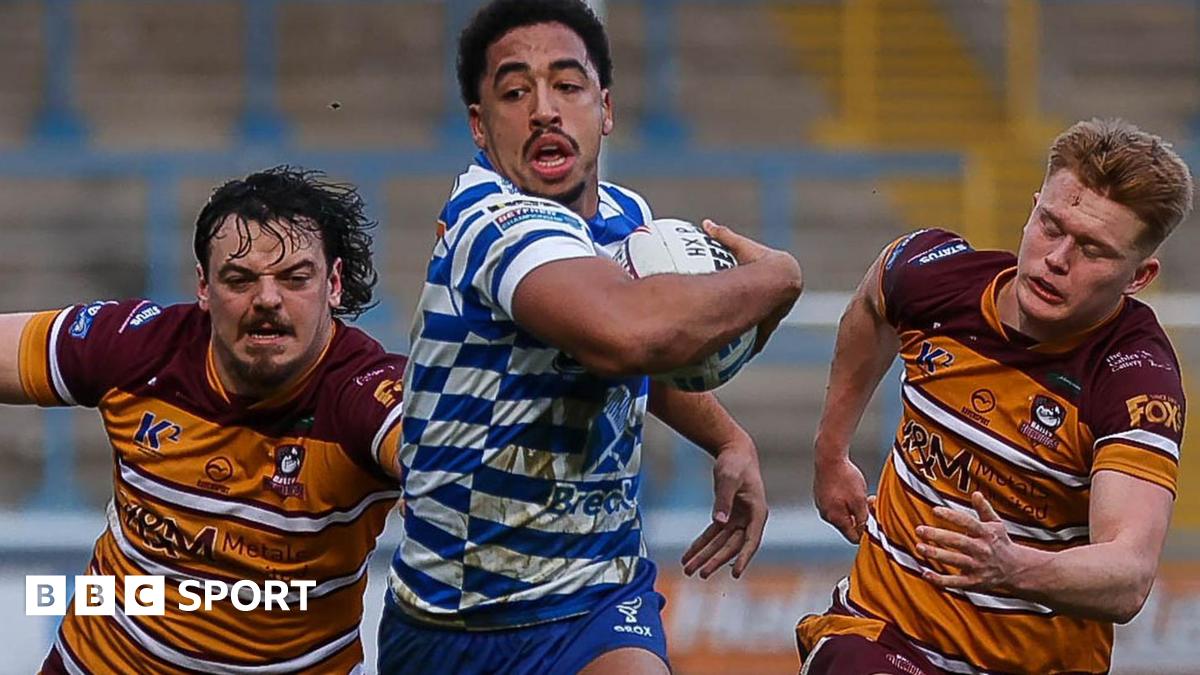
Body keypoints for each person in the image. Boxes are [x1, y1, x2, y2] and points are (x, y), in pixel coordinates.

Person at [376, 1, 803, 673]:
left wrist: (727, 437)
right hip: (456, 616)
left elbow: (645, 350)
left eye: (567, 86)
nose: (544, 109)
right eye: (515, 92)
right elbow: (627, 335)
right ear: (480, 128)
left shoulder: (628, 220)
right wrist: (779, 278)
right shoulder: (493, 224)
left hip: (596, 597)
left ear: (604, 109)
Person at [798, 118, 1193, 674]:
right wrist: (830, 452)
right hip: (884, 637)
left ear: (1139, 277)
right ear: (1032, 207)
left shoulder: (1133, 378)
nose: (1057, 258)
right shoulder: (937, 280)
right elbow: (872, 302)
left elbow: (1128, 575)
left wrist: (1012, 568)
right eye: (1050, 225)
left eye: (1092, 250)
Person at [1, 167, 407, 674]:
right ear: (203, 287)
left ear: (334, 284)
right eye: (239, 279)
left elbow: (427, 446)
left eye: (295, 278)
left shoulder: (364, 390)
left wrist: (443, 479)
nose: (267, 300)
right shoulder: (141, 350)